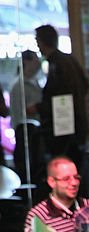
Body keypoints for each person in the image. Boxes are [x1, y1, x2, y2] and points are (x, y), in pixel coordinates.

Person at [35, 24, 89, 169]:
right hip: (74, 129)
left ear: (42, 42)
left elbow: (57, 97)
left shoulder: (57, 65)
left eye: (37, 42)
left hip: (63, 133)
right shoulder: (68, 60)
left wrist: (38, 108)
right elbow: (85, 85)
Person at [9, 50, 44, 186]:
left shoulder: (35, 83)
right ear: (26, 62)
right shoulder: (19, 86)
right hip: (27, 137)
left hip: (35, 138)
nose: (38, 64)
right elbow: (24, 112)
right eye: (35, 60)